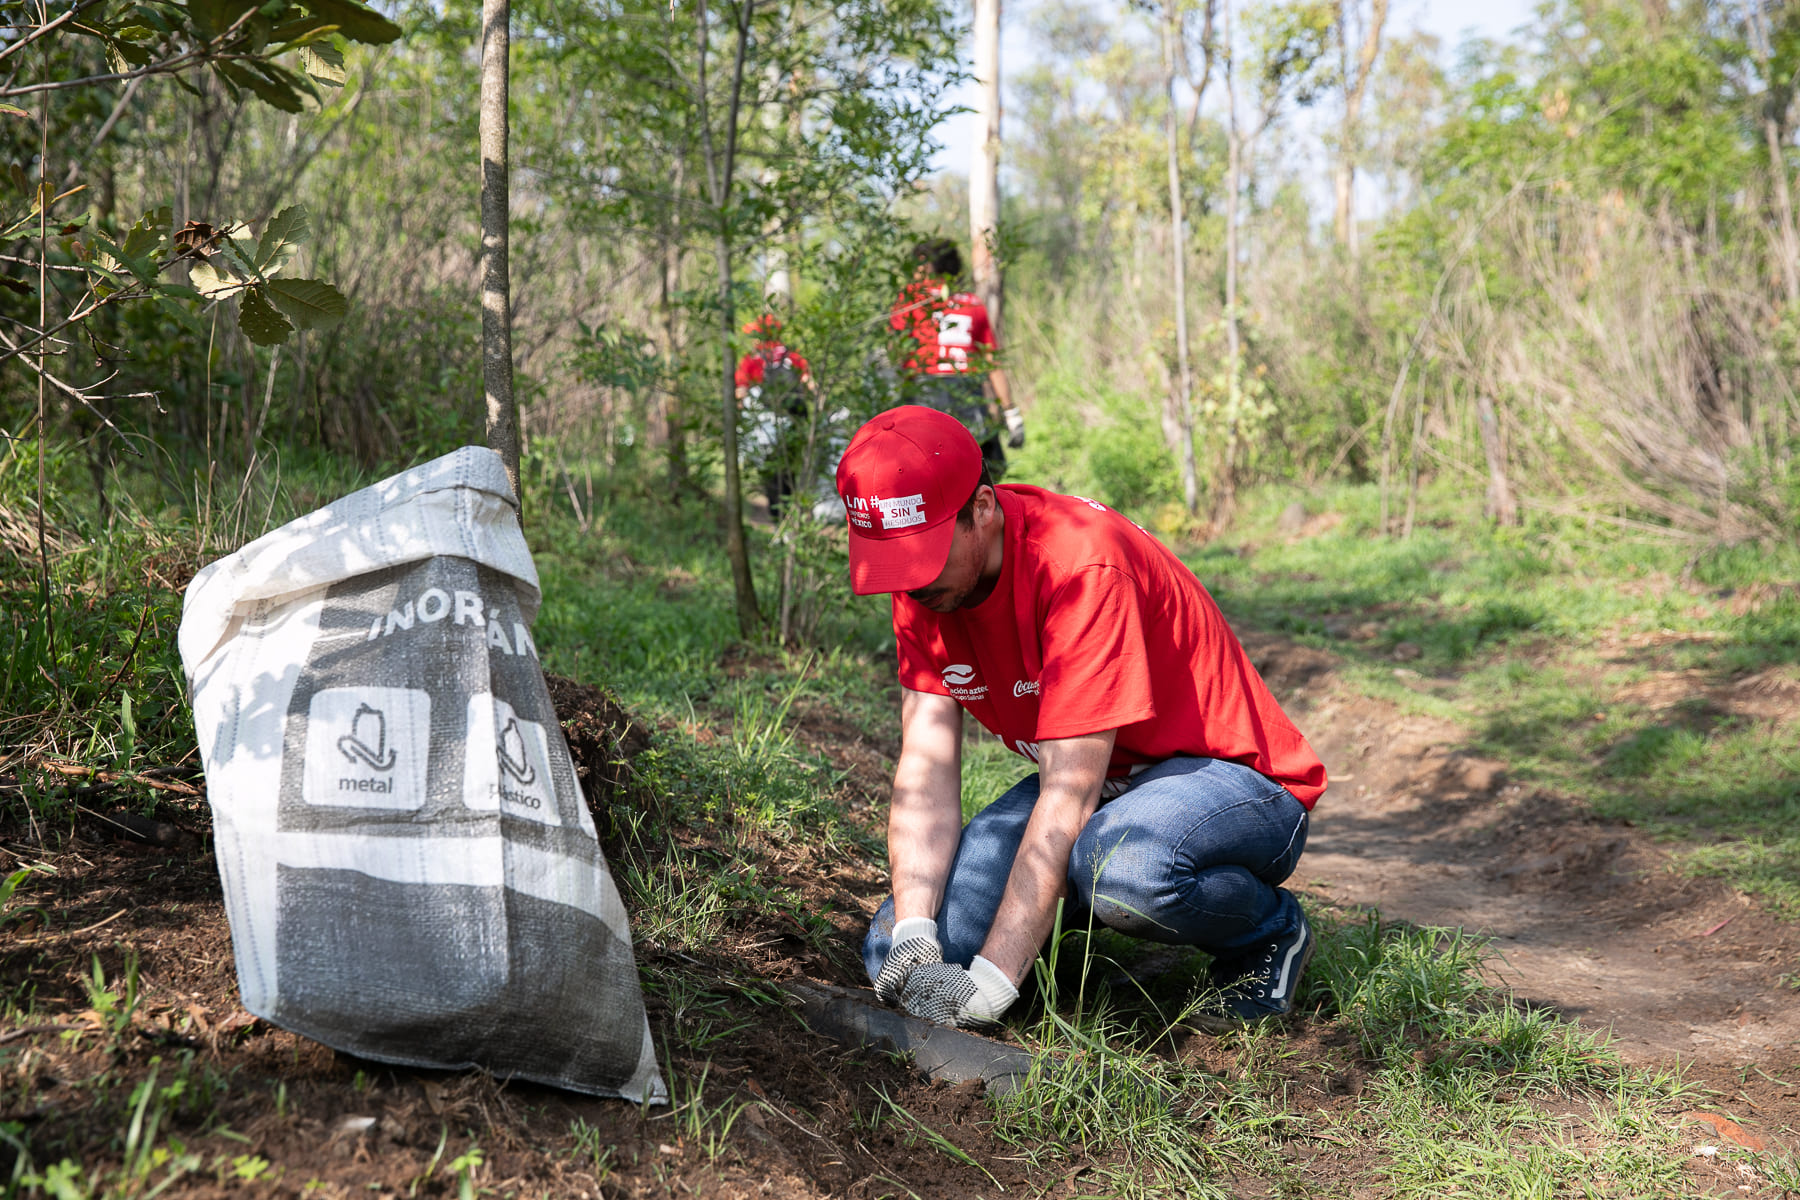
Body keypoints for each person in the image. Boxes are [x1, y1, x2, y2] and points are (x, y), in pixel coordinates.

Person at [837, 406, 1327, 1031]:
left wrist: (992, 979)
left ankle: (1267, 933)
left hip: (1230, 781)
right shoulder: (925, 588)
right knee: (894, 955)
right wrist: (914, 930)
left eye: (923, 556)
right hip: (1107, 782)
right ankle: (1059, 930)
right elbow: (924, 773)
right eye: (892, 563)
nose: (907, 585)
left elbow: (1069, 795)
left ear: (982, 508)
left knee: (1123, 870)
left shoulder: (1079, 565)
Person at [890, 239, 1025, 478]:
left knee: (922, 475)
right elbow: (992, 364)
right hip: (967, 397)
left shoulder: (910, 300)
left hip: (923, 393)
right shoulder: (971, 303)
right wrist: (1010, 412)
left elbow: (894, 354)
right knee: (983, 473)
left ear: (926, 265)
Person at [734, 315, 813, 519]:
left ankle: (778, 518)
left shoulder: (753, 360)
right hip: (793, 424)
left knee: (770, 473)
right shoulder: (791, 356)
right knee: (789, 472)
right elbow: (809, 384)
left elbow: (740, 391)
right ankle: (792, 517)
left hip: (765, 428)